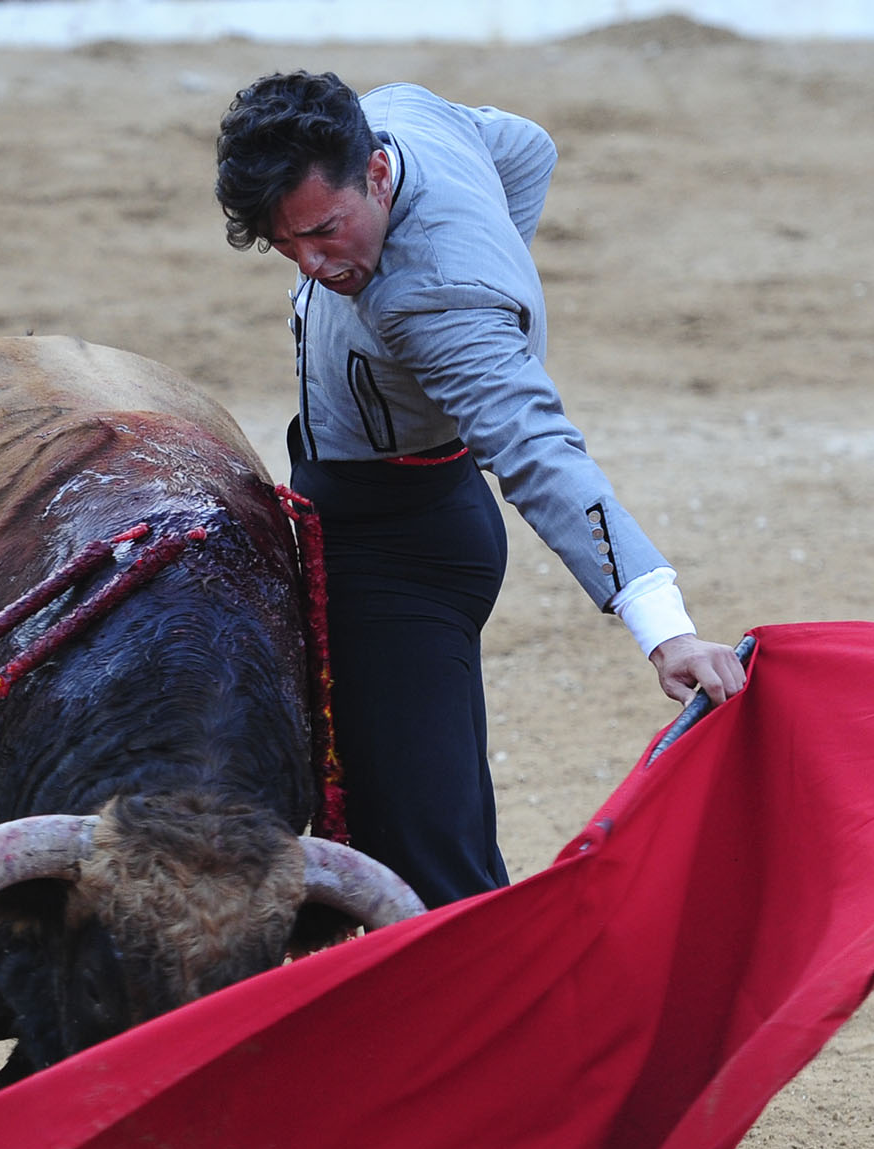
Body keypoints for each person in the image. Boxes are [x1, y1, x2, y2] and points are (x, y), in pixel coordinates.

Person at [214, 71, 745, 908]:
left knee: (422, 856)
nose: (312, 266)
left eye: (324, 232)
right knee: (415, 822)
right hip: (410, 512)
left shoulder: (440, 304)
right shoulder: (397, 115)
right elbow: (528, 147)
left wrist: (664, 627)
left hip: (398, 554)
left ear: (377, 176)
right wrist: (498, 258)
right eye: (288, 247)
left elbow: (538, 451)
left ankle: (496, 1024)